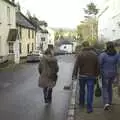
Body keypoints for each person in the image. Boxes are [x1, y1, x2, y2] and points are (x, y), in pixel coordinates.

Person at [72, 41, 100, 113]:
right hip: (91, 76)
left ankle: (81, 104)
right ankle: (89, 108)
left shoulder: (80, 54)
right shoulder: (94, 54)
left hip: (82, 76)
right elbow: (97, 66)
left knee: (82, 90)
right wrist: (97, 75)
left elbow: (76, 66)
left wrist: (74, 75)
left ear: (83, 46)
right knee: (90, 91)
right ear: (89, 45)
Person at [99, 41, 119, 110]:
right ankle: (110, 101)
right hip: (113, 74)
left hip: (105, 74)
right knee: (110, 88)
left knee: (105, 88)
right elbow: (118, 64)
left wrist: (100, 73)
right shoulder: (117, 54)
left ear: (107, 46)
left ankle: (106, 103)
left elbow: (100, 64)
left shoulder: (103, 55)